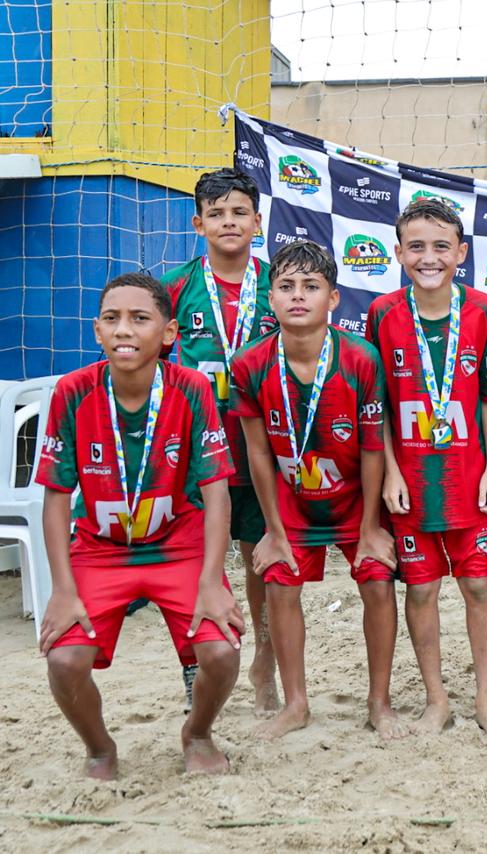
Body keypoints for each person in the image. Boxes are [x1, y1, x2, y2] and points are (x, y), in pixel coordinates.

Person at [37, 272, 243, 778]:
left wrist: (211, 581)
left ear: (169, 332)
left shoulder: (191, 388)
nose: (124, 329)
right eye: (111, 319)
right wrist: (62, 589)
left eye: (139, 318)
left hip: (177, 543)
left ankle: (198, 733)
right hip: (101, 549)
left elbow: (217, 493)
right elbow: (56, 499)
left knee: (221, 650)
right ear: (97, 330)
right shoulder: (73, 392)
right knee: (63, 661)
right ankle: (100, 749)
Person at [230, 240, 401, 740]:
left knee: (377, 580)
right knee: (280, 581)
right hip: (292, 501)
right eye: (286, 286)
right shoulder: (249, 363)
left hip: (354, 499)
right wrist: (274, 529)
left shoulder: (361, 358)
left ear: (333, 298)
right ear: (271, 298)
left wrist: (369, 528)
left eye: (311, 286)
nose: (298, 296)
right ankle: (296, 704)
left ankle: (379, 702)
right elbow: (258, 454)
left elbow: (372, 447)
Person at [367, 198, 487, 738]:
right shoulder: (383, 313)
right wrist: (391, 472)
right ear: (399, 253)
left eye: (441, 246)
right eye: (417, 247)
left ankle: (486, 700)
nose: (429, 257)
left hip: (468, 479)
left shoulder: (485, 310)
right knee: (422, 591)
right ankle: (436, 699)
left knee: (478, 587)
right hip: (411, 481)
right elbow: (378, 405)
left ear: (462, 253)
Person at [161, 168, 279, 713]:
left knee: (262, 559)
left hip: (262, 450)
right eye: (216, 213)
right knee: (194, 561)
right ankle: (196, 666)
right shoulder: (176, 287)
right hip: (195, 455)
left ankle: (264, 662)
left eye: (238, 212)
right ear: (198, 223)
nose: (228, 222)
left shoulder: (280, 283)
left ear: (258, 221)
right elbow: (152, 364)